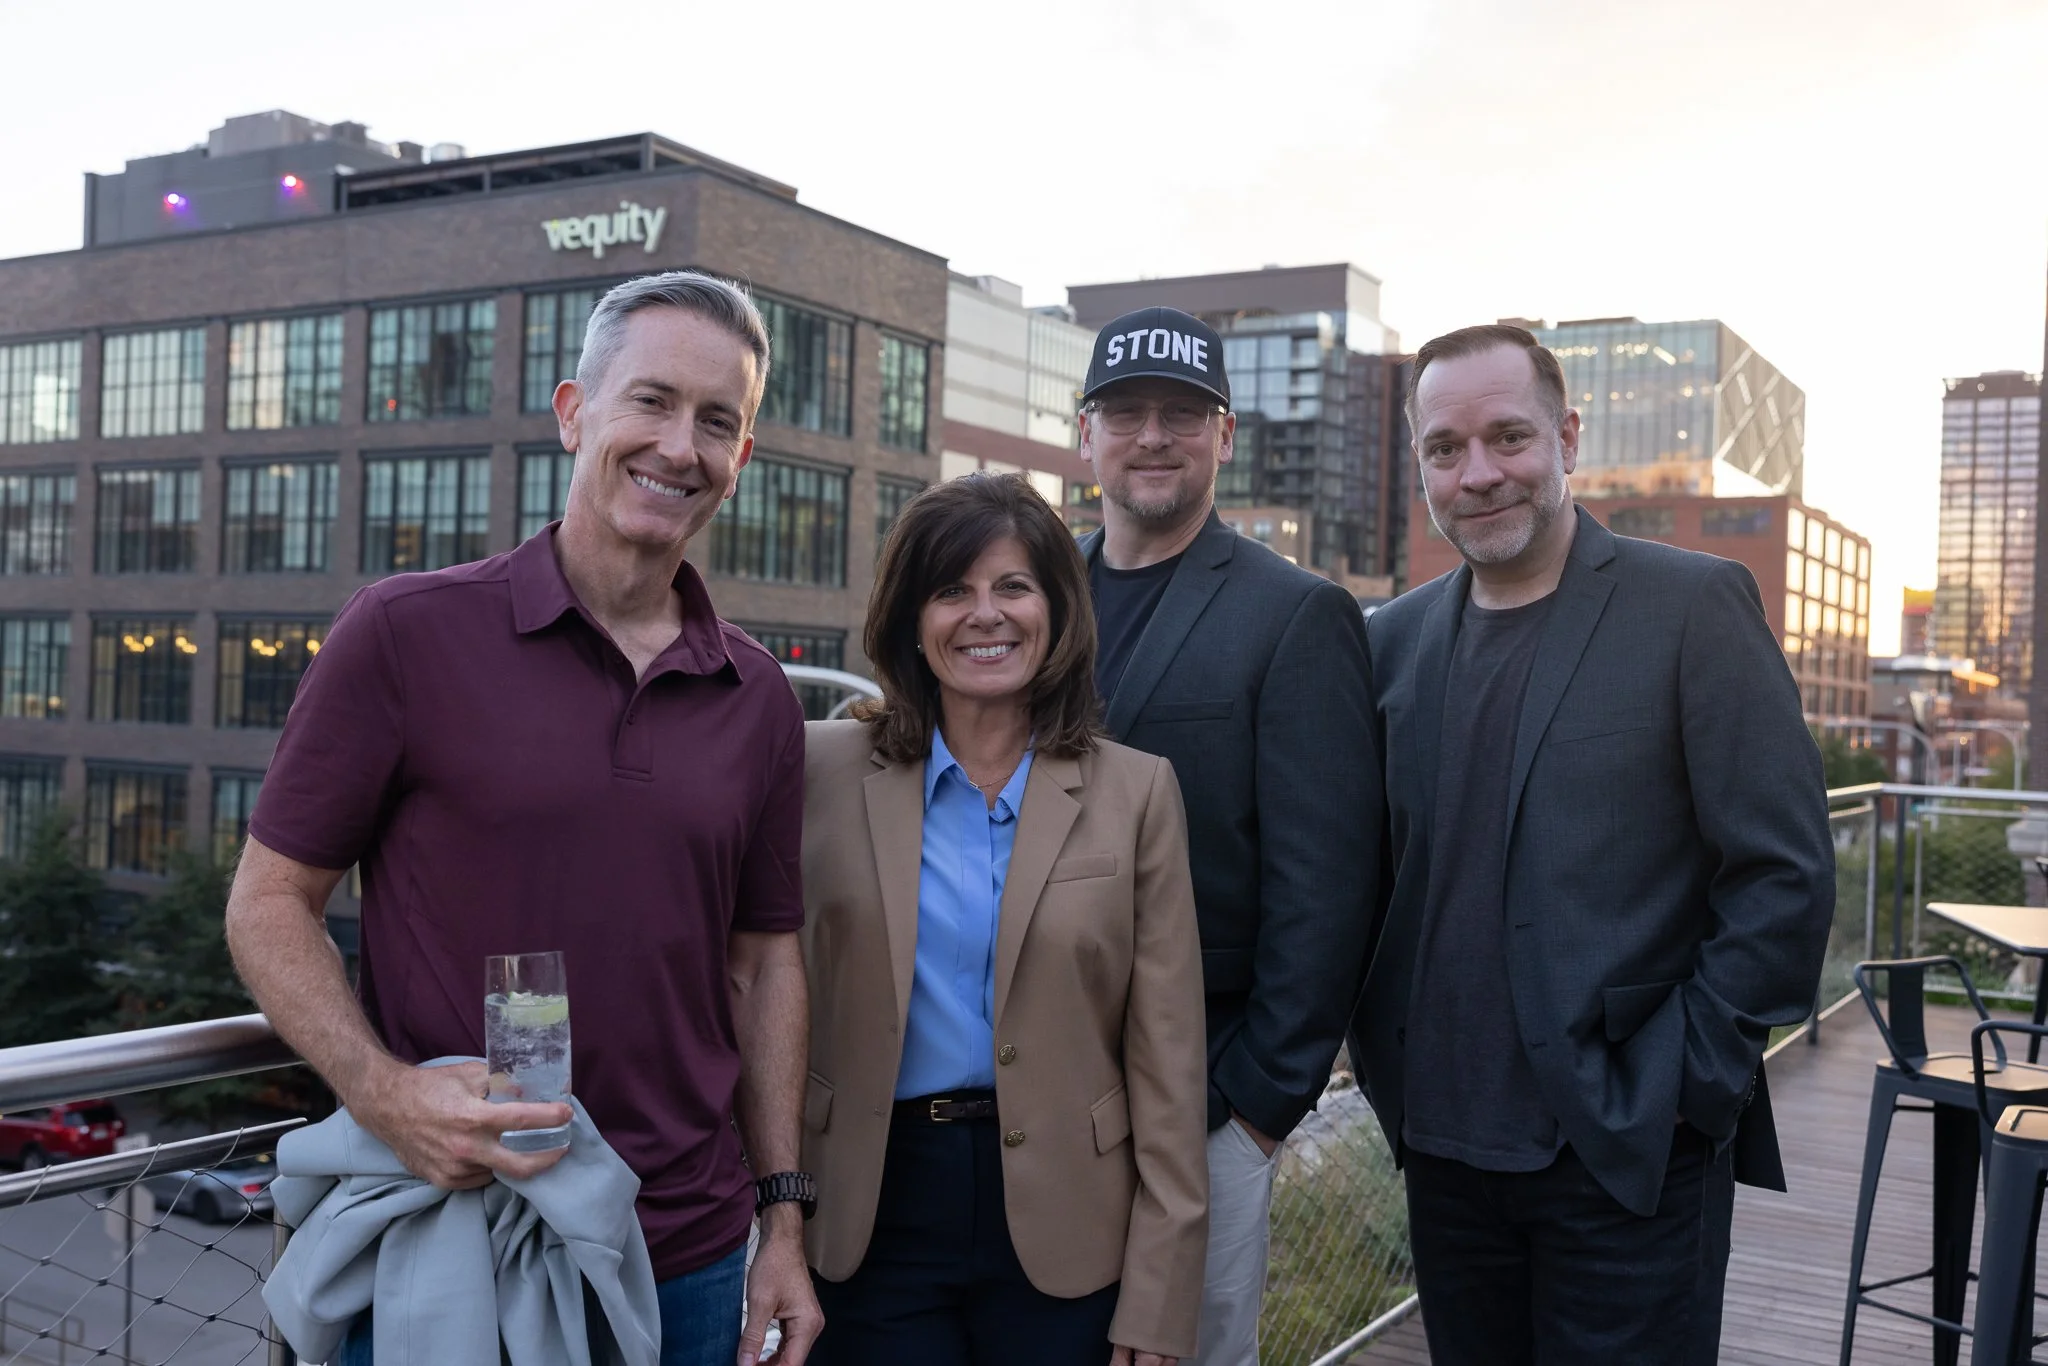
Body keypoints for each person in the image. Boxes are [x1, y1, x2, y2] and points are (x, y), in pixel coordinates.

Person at [224, 271, 823, 1366]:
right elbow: (267, 902)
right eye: (650, 401)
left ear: (741, 457)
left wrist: (781, 1218)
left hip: (683, 1257)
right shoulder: (404, 633)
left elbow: (764, 965)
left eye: (716, 421)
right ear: (571, 413)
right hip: (458, 1238)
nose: (679, 446)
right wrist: (384, 1091)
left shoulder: (759, 698)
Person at [1347, 324, 1834, 1364]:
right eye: (1444, 449)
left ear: (1567, 436)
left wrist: (1684, 1085)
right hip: (1442, 1153)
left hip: (1628, 1155)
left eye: (1507, 437)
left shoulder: (1691, 606)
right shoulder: (1387, 644)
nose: (1478, 474)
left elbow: (1782, 875)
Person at [799, 473, 1208, 1366]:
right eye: (952, 590)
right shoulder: (816, 772)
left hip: (1071, 1219)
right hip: (869, 1211)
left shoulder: (1137, 792)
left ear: (1057, 611)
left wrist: (1161, 1295)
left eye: (1013, 587)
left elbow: (1169, 1062)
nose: (985, 614)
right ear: (912, 617)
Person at [1074, 306, 1380, 1366]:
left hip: (1204, 1099)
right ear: (1084, 437)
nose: (1151, 436)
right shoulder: (1025, 596)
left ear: (1225, 437)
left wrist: (1258, 1107)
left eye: (1180, 415)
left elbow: (1329, 881)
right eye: (1124, 414)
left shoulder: (1295, 613)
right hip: (1026, 1098)